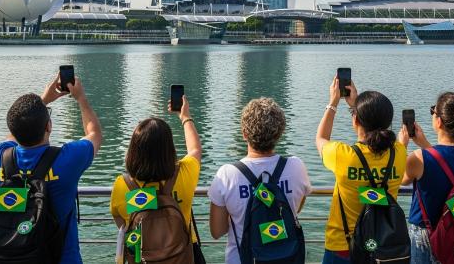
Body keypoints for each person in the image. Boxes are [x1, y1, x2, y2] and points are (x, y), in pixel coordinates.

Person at [0, 72, 103, 264]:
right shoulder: (68, 159)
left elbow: (14, 132)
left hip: (12, 258)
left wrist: (43, 101)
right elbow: (95, 133)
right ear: (48, 126)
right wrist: (81, 98)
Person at [208, 97, 311, 264]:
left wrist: (238, 212)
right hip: (286, 257)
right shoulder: (296, 167)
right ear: (280, 132)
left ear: (244, 133)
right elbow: (295, 208)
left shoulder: (227, 174)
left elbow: (217, 231)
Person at [315, 77, 407, 264]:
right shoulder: (398, 152)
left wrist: (333, 103)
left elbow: (320, 138)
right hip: (383, 247)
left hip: (343, 246)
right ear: (389, 122)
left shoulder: (343, 155)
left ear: (355, 120)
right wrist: (357, 106)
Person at [399, 92, 454, 264]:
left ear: (439, 121)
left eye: (434, 111)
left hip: (426, 235)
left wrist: (402, 147)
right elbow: (446, 168)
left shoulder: (419, 158)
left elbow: (399, 179)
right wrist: (425, 145)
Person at [109, 96, 202, 258]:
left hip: (141, 257)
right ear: (169, 149)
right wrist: (185, 117)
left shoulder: (122, 185)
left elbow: (122, 223)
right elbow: (195, 150)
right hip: (182, 255)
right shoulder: (185, 172)